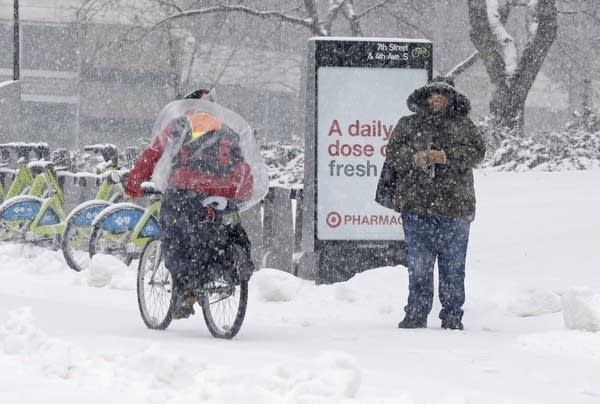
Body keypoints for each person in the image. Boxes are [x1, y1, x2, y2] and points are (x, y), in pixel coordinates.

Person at [124, 89, 255, 319]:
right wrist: (237, 196)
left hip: (186, 190)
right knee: (211, 234)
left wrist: (134, 183)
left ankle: (186, 289)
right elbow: (243, 165)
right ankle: (220, 264)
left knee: (174, 235)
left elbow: (153, 153)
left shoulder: (181, 125)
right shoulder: (229, 131)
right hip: (222, 194)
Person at [384, 76, 485, 330]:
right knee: (419, 266)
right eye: (433, 94)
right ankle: (416, 313)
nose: (437, 98)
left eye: (443, 94)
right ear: (425, 97)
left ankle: (452, 316)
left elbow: (478, 152)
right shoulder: (408, 124)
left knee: (454, 267)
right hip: (416, 207)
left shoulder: (464, 125)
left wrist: (445, 156)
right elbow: (393, 153)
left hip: (455, 209)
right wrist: (414, 157)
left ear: (452, 98)